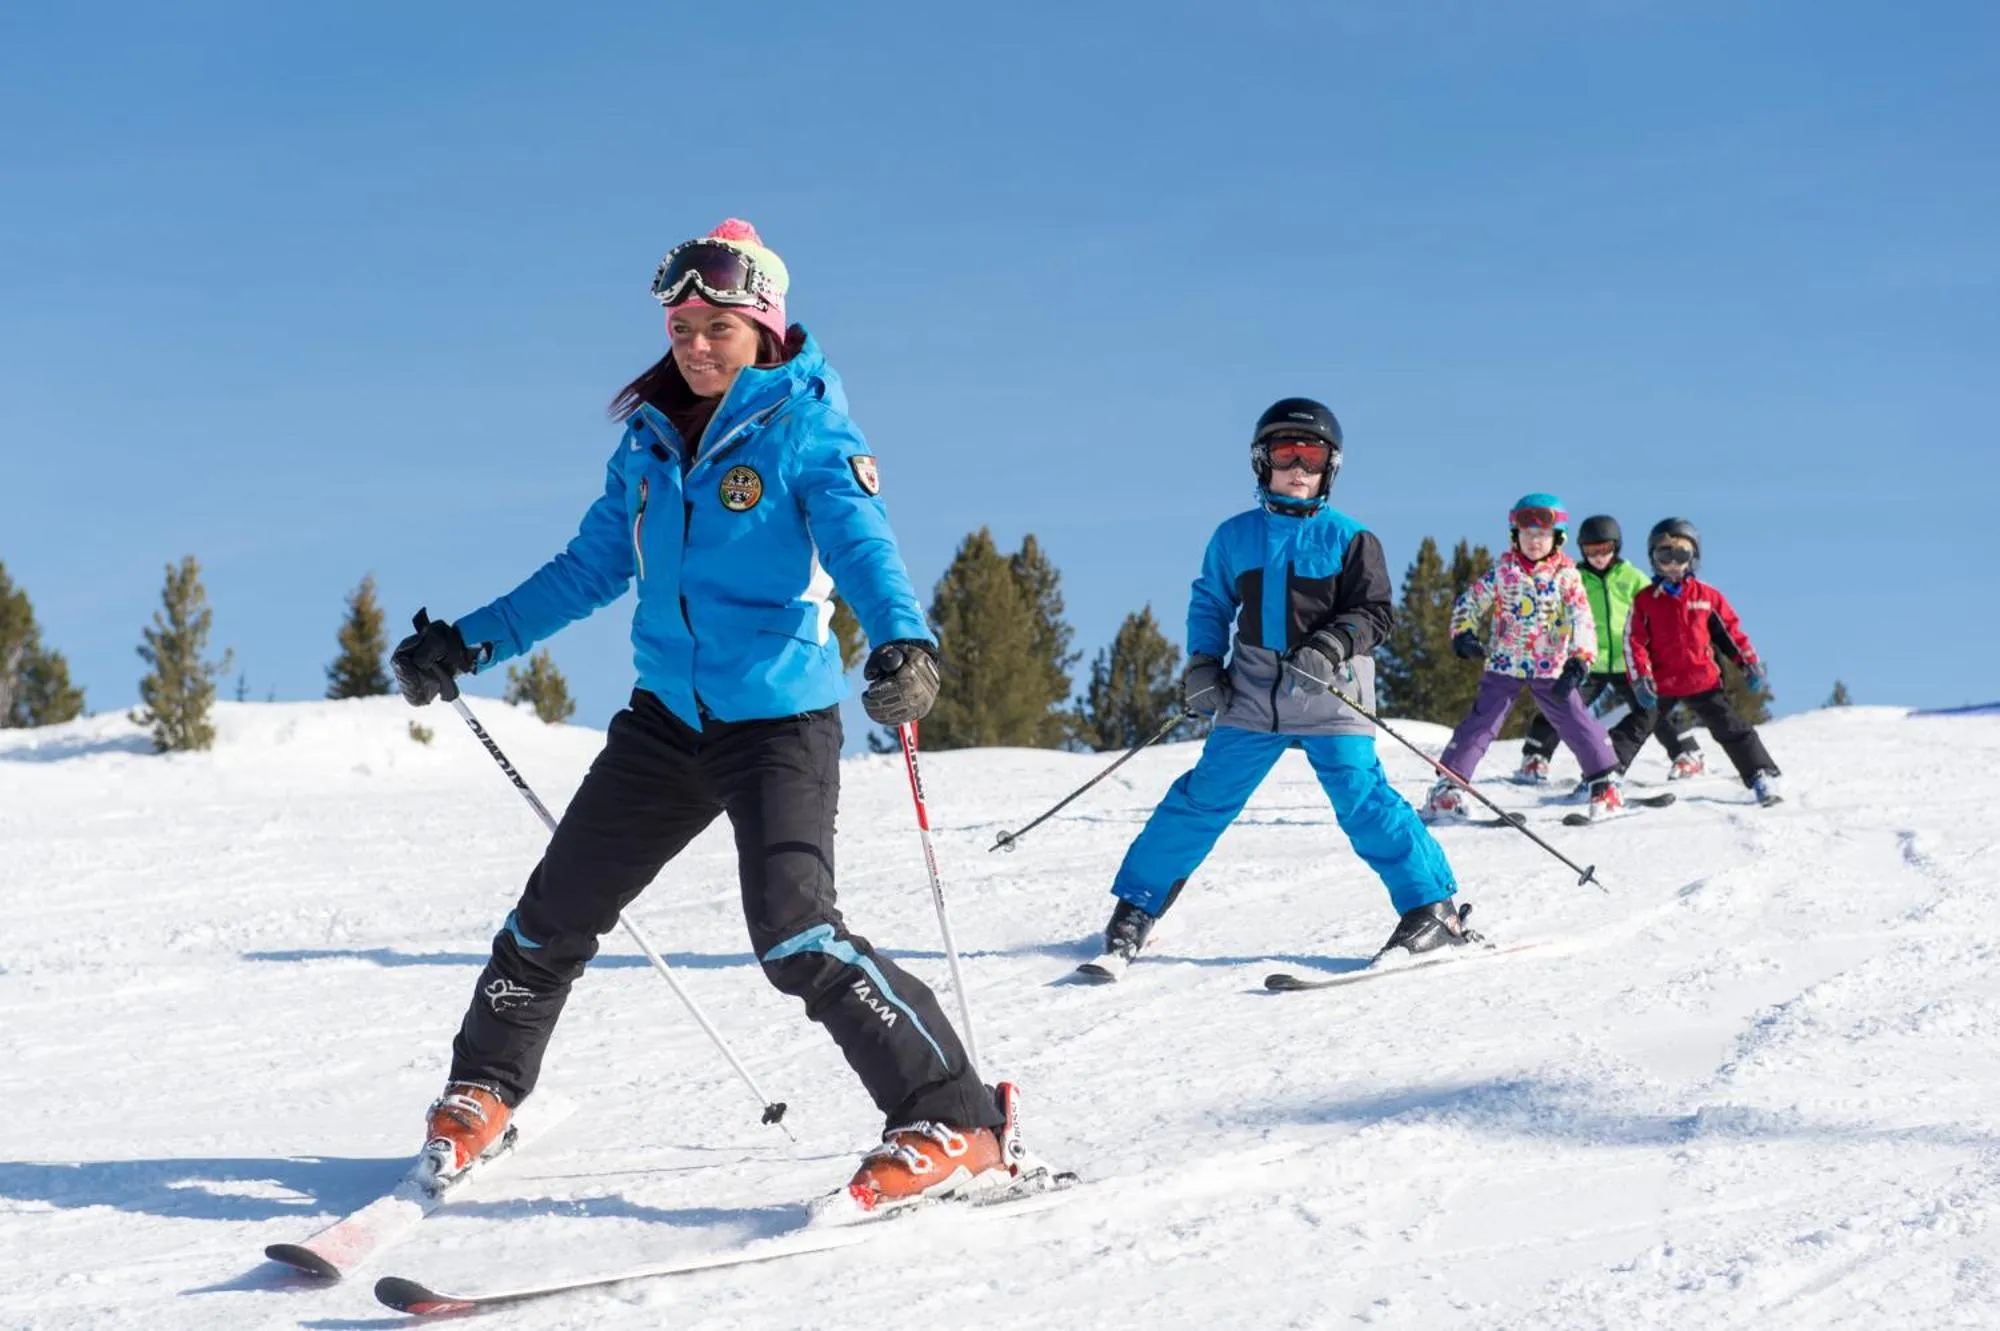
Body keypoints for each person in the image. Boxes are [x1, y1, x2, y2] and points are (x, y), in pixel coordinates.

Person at [389, 219, 1024, 1212]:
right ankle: (483, 1085)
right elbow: (590, 566)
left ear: (761, 325)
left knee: (793, 931)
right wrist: (469, 640)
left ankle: (954, 1116)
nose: (693, 343)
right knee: (555, 907)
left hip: (776, 719)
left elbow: (864, 544)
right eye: (680, 324)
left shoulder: (807, 426)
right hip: (664, 720)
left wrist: (903, 640)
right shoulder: (646, 441)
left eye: (715, 325)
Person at [1083, 398, 1476, 980]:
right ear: (1261, 462)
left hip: (1329, 690)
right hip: (1252, 691)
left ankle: (1432, 909)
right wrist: (1201, 666)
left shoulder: (1350, 537)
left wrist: (1329, 646)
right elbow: (1212, 602)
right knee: (1201, 798)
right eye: (1285, 454)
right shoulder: (1235, 536)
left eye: (1311, 456)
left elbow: (1375, 612)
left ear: (1329, 468)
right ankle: (1136, 909)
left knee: (1361, 797)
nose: (1298, 467)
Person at [1422, 494, 1628, 822]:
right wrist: (1463, 633)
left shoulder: (1567, 577)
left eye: (1542, 536)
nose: (1534, 542)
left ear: (1557, 539)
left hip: (1551, 666)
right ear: (1514, 537)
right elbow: (1469, 603)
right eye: (1527, 535)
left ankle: (1604, 781)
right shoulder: (1503, 573)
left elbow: (1582, 620)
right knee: (1481, 721)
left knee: (1575, 720)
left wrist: (1581, 659)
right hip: (1505, 662)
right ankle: (1449, 787)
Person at [1515, 514, 1705, 786]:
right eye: (1591, 551)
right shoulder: (1574, 577)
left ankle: (1687, 752)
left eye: (1604, 549)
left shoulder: (1631, 578)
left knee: (1652, 705)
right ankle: (1535, 756)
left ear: (1616, 546)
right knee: (1561, 702)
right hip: (1589, 661)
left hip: (1628, 661)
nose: (1599, 557)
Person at [1625, 518, 1784, 806]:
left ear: (1692, 558)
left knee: (1731, 727)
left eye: (1680, 555)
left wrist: (1748, 663)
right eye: (1665, 555)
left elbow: (1731, 634)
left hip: (1702, 681)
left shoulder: (1707, 597)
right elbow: (1634, 642)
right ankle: (1603, 778)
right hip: (1663, 683)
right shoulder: (1646, 601)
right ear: (1653, 559)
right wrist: (1640, 677)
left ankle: (1760, 773)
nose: (1673, 563)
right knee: (1634, 728)